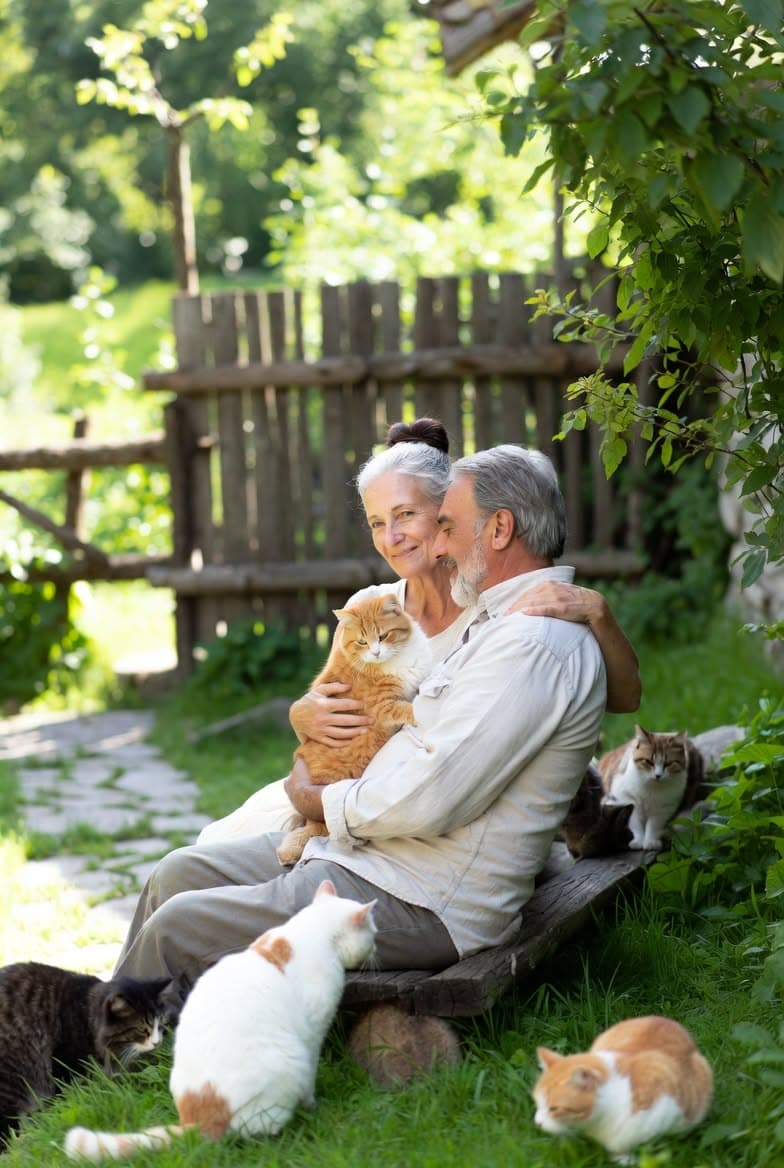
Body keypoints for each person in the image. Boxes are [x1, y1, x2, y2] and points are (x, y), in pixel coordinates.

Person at [113, 442, 612, 1018]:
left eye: (446, 525)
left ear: (499, 530)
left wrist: (317, 799)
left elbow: (435, 795)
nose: (439, 543)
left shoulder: (530, 645)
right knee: (176, 872)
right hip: (378, 853)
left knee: (179, 925)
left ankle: (99, 1065)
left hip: (426, 895)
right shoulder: (501, 623)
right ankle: (112, 1028)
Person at [196, 417, 640, 843]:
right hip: (358, 784)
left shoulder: (495, 605)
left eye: (406, 514)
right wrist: (303, 714)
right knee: (213, 843)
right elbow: (335, 708)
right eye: (376, 523)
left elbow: (620, 697)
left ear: (448, 512)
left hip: (426, 808)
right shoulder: (366, 610)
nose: (391, 538)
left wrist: (599, 613)